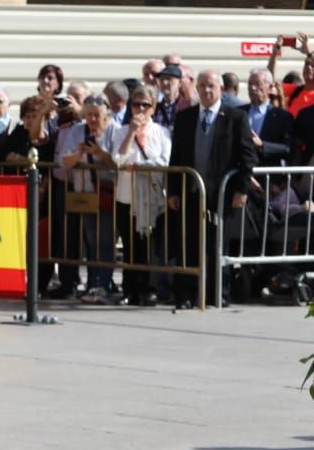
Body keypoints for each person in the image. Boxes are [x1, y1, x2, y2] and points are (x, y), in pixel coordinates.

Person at [168, 69, 257, 308]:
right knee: (188, 244)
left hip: (221, 195)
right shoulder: (185, 117)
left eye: (212, 86)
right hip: (191, 192)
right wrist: (174, 190)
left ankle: (218, 292)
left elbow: (247, 157)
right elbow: (175, 157)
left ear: (220, 90)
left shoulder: (236, 118)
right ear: (197, 88)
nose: (207, 91)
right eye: (203, 86)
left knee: (218, 244)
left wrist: (242, 189)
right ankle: (186, 294)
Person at [113, 87, 172, 306]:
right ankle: (130, 289)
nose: (140, 109)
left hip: (151, 198)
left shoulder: (162, 132)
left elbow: (164, 161)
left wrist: (138, 166)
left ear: (153, 108)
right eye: (136, 104)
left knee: (151, 246)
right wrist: (131, 133)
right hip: (127, 197)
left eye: (145, 105)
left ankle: (150, 289)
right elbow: (118, 159)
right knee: (130, 245)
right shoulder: (121, 131)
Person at [55, 96, 116, 303]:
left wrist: (98, 152)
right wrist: (78, 153)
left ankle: (104, 284)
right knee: (91, 240)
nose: (92, 119)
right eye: (88, 114)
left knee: (105, 241)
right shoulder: (77, 130)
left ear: (105, 115)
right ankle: (93, 284)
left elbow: (118, 161)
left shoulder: (114, 130)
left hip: (108, 192)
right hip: (85, 193)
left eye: (96, 115)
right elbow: (64, 160)